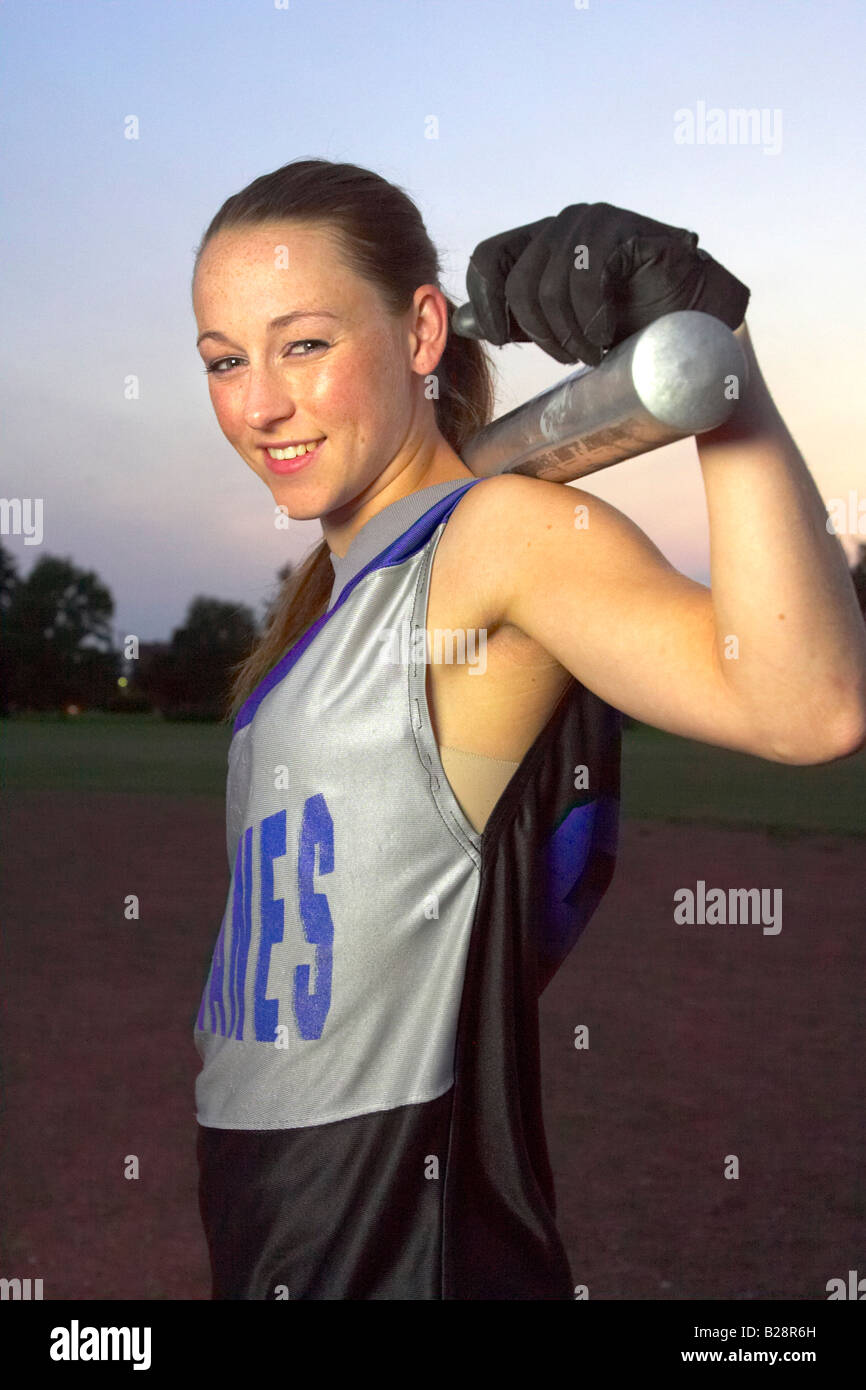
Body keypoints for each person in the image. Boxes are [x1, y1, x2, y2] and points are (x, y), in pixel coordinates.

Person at [190, 158, 866, 1301]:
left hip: (400, 1228)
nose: (258, 402)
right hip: (273, 1207)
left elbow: (805, 704)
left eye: (303, 344)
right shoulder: (324, 599)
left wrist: (722, 362)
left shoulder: (495, 536)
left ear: (419, 333)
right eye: (222, 360)